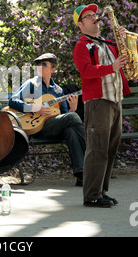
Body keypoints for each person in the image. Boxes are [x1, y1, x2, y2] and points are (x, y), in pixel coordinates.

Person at [72, 4, 131, 208]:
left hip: (115, 99)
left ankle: (101, 192)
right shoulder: (82, 46)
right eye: (88, 16)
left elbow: (129, 60)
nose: (94, 18)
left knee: (110, 148)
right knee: (97, 149)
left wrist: (125, 41)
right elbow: (86, 71)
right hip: (98, 102)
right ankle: (91, 196)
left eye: (95, 14)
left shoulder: (107, 43)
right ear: (80, 24)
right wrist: (111, 67)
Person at [8, 53, 86, 186]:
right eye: (38, 64)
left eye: (44, 64)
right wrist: (34, 108)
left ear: (53, 69)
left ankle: (82, 174)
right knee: (73, 119)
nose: (40, 67)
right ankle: (93, 164)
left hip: (54, 126)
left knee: (71, 130)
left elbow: (65, 115)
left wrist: (72, 109)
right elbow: (13, 101)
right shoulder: (31, 84)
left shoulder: (58, 90)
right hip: (37, 127)